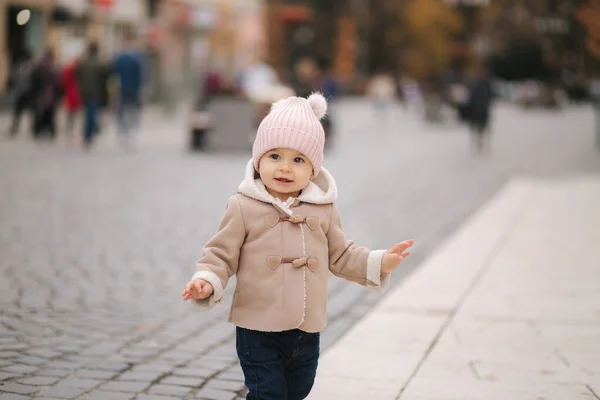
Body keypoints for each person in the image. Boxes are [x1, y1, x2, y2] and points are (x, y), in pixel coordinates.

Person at [181, 92, 414, 400]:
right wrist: (206, 280)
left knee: (298, 390)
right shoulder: (243, 206)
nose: (285, 168)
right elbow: (220, 255)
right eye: (275, 156)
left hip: (306, 329)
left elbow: (342, 254)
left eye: (298, 160)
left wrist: (379, 262)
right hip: (257, 327)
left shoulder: (323, 209)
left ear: (313, 169)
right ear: (259, 159)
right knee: (269, 393)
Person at [113, 31, 144, 149]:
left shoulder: (133, 57)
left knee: (132, 110)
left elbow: (140, 74)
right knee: (124, 109)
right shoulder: (123, 57)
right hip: (123, 88)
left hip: (132, 88)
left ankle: (130, 131)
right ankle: (124, 131)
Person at [76, 42, 108, 149]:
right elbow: (105, 78)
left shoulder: (83, 63)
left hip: (84, 92)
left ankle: (87, 134)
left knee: (87, 114)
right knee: (92, 114)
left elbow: (77, 75)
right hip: (95, 93)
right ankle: (89, 134)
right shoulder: (99, 63)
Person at [30, 50, 63, 139]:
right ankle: (43, 130)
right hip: (45, 96)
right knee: (44, 114)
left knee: (46, 114)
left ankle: (43, 130)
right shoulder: (49, 69)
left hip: (45, 96)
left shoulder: (42, 69)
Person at [464, 63, 494, 153]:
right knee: (476, 128)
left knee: (482, 127)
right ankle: (478, 141)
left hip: (482, 109)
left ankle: (480, 141)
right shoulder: (473, 83)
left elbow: (490, 95)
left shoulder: (484, 83)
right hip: (475, 109)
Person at [8, 49, 34, 137]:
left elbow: (12, 77)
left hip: (21, 92)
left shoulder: (19, 66)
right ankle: (29, 129)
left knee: (19, 112)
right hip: (26, 93)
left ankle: (15, 128)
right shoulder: (30, 66)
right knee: (26, 112)